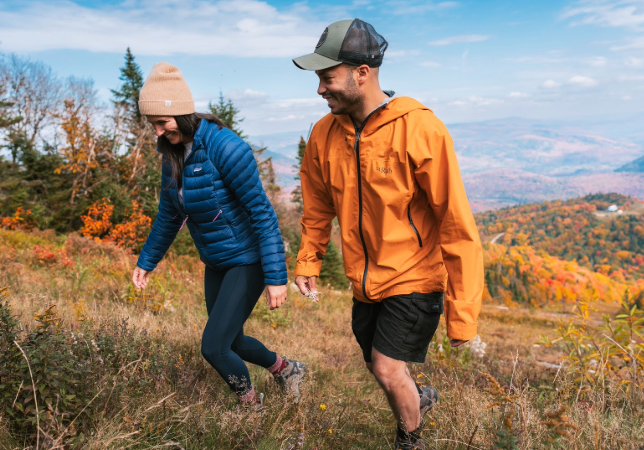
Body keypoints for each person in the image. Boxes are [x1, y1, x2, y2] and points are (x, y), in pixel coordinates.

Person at [291, 19, 484, 449]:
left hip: (415, 277)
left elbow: (457, 225)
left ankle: (410, 440)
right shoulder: (323, 135)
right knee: (375, 362)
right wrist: (308, 260)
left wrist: (462, 316)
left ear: (362, 73)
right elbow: (318, 206)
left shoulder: (420, 129)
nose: (320, 89)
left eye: (327, 77)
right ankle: (418, 398)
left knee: (385, 368)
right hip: (364, 282)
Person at [132, 62, 306, 406]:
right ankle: (287, 369)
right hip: (216, 261)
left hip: (248, 260)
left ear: (180, 114)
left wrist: (275, 277)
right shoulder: (172, 156)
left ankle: (250, 406)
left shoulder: (226, 148)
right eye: (152, 124)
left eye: (162, 122)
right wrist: (147, 262)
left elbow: (263, 214)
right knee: (232, 341)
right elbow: (169, 215)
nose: (157, 132)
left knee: (213, 346)